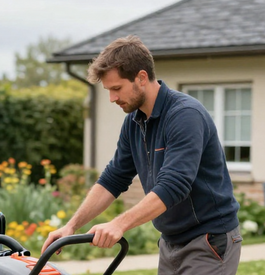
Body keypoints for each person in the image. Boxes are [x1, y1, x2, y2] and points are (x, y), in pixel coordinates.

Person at [41, 35, 242, 274]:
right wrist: (71, 226)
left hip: (208, 241)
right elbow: (112, 179)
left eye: (117, 88)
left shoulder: (185, 115)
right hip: (170, 243)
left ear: (142, 78)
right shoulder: (134, 122)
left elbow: (174, 186)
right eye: (108, 90)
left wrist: (119, 224)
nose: (112, 98)